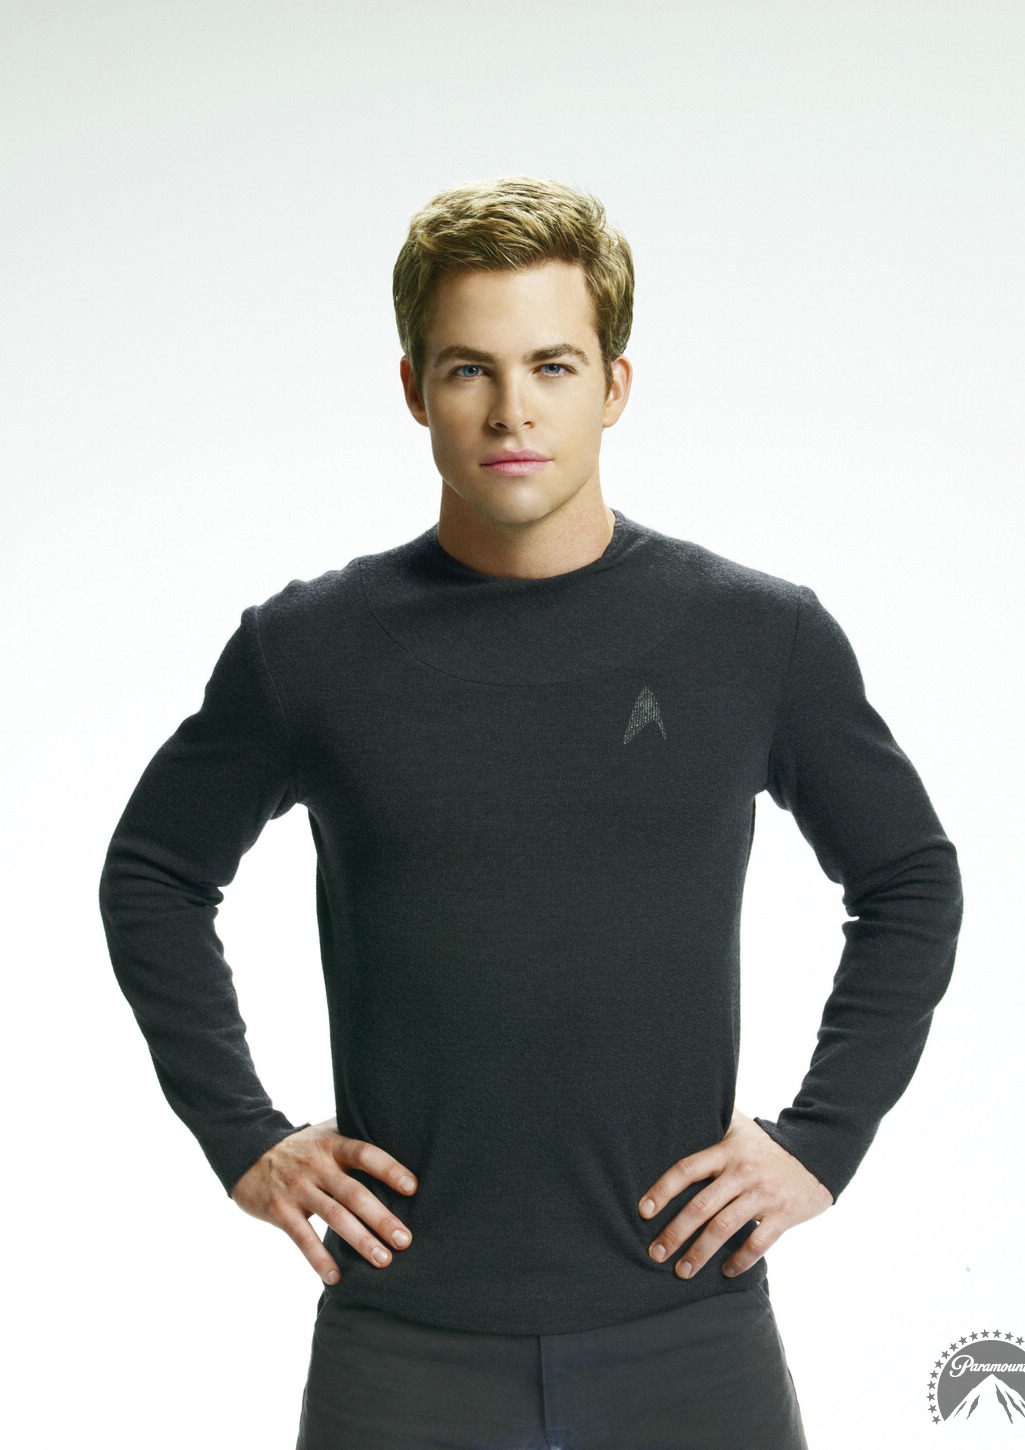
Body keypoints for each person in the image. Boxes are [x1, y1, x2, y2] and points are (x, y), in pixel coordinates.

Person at [99, 174, 964, 1449]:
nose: (512, 410)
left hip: (688, 1331)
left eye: (552, 366)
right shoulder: (310, 651)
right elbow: (154, 873)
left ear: (614, 385)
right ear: (414, 388)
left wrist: (821, 1138)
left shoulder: (753, 638)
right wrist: (243, 1134)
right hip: (403, 1345)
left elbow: (907, 878)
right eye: (470, 369)